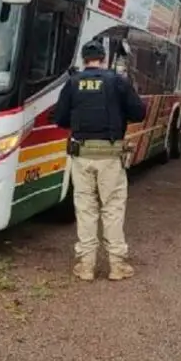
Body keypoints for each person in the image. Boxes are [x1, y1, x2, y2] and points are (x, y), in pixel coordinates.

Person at [53, 39, 146, 282]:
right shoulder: (117, 81)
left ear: (84, 60)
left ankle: (86, 266)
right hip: (110, 157)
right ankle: (117, 265)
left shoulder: (73, 83)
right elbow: (139, 112)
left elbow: (60, 118)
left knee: (85, 209)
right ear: (104, 59)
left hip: (81, 155)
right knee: (112, 208)